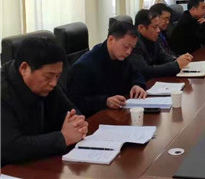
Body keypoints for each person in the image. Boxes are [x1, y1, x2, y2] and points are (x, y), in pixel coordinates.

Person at [1, 37, 88, 166]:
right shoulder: (3, 93)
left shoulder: (48, 86)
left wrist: (79, 124)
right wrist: (63, 138)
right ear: (24, 68)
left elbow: (71, 111)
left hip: (40, 163)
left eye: (58, 76)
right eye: (48, 76)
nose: (54, 83)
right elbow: (9, 147)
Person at [67, 21, 147, 117]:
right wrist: (105, 101)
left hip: (119, 113)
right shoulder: (84, 66)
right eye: (126, 46)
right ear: (111, 40)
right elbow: (76, 101)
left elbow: (136, 73)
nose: (129, 52)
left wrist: (137, 85)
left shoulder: (122, 56)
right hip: (95, 119)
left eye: (132, 48)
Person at [128, 9, 193, 80]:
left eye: (158, 27)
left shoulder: (153, 38)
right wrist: (176, 65)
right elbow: (145, 71)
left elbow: (163, 57)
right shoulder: (133, 44)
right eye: (155, 27)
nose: (158, 30)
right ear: (141, 28)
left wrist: (178, 60)